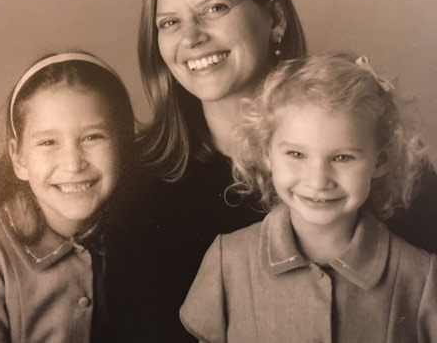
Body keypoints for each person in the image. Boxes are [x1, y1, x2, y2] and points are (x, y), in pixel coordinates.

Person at [109, 0, 437, 342]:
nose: (191, 38)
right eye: (170, 22)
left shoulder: (381, 157)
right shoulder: (140, 188)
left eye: (215, 9)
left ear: (275, 18)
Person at [180, 53, 437, 342]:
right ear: (267, 154)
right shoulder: (228, 261)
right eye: (296, 154)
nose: (317, 180)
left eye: (342, 157)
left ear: (380, 160)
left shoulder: (420, 277)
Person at [0, 52, 136, 343]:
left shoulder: (143, 230)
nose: (73, 163)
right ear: (19, 158)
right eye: (48, 142)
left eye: (92, 137)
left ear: (122, 144)